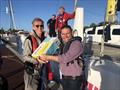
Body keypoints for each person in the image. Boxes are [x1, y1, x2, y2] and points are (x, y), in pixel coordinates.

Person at [38, 25, 84, 90]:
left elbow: (65, 58)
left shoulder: (76, 44)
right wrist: (41, 56)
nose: (65, 36)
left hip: (74, 80)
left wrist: (48, 57)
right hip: (65, 78)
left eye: (68, 33)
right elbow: (55, 54)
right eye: (63, 34)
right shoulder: (65, 44)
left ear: (72, 33)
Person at [23, 17, 46, 90]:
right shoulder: (29, 40)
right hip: (32, 71)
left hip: (42, 69)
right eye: (37, 26)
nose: (39, 27)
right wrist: (36, 61)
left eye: (41, 26)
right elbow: (25, 57)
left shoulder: (44, 39)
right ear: (33, 27)